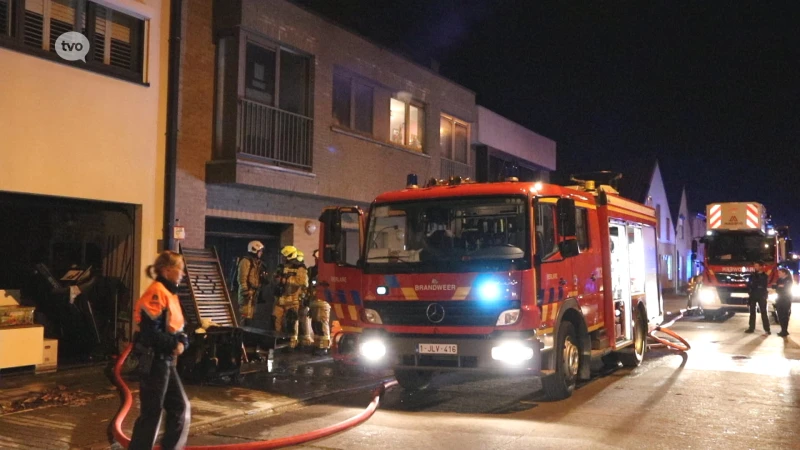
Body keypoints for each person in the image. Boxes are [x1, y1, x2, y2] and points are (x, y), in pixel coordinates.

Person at [129, 251, 191, 450]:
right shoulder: (157, 293)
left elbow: (176, 326)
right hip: (155, 361)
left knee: (179, 407)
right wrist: (174, 345)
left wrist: (182, 341)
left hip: (165, 361)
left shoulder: (169, 293)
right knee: (152, 413)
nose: (183, 273)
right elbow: (149, 332)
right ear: (166, 270)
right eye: (180, 269)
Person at [273, 245, 308, 349]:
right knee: (275, 320)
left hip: (292, 301)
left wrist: (287, 280)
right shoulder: (281, 267)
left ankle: (291, 345)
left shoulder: (300, 268)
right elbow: (274, 278)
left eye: (284, 256)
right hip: (280, 300)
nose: (282, 258)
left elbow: (303, 282)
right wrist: (277, 279)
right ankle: (277, 342)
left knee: (291, 323)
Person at [308, 249, 332, 355]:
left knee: (322, 324)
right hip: (314, 300)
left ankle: (324, 347)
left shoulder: (327, 270)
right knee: (315, 324)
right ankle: (317, 345)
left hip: (323, 301)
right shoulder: (312, 270)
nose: (315, 260)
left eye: (317, 258)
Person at [237, 241, 265, 327]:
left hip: (253, 293)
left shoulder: (256, 262)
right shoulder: (245, 261)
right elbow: (242, 278)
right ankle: (242, 338)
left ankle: (248, 337)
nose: (261, 253)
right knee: (245, 316)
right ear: (254, 250)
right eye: (260, 251)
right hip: (247, 293)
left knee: (251, 317)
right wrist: (245, 292)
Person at [295, 251, 315, 347]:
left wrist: (304, 298)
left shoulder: (302, 269)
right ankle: (302, 340)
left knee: (303, 319)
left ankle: (305, 340)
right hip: (300, 298)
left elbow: (305, 285)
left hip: (302, 298)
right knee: (300, 319)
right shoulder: (304, 269)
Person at [746, 261, 770, 335]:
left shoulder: (764, 276)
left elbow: (763, 285)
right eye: (754, 266)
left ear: (761, 267)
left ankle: (767, 329)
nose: (755, 267)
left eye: (757, 266)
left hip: (761, 295)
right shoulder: (752, 275)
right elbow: (749, 284)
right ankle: (751, 328)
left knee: (763, 312)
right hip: (753, 295)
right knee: (752, 312)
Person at [774, 268, 793, 337]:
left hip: (786, 299)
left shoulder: (788, 280)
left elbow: (786, 289)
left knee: (785, 315)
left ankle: (784, 330)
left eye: (780, 273)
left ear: (784, 273)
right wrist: (780, 287)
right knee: (779, 314)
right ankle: (782, 329)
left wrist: (780, 287)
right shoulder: (779, 280)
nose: (778, 274)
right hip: (779, 299)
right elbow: (777, 288)